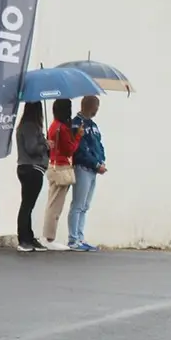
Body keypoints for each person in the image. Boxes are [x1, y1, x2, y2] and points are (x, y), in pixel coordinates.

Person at [68, 95, 105, 252]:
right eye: (96, 106)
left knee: (85, 206)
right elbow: (81, 149)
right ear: (90, 106)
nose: (97, 109)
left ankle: (80, 237)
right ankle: (73, 239)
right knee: (77, 204)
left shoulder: (94, 125)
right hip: (83, 168)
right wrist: (95, 164)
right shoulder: (77, 124)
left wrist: (101, 160)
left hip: (93, 170)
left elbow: (98, 145)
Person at [41, 99, 79, 250]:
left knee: (53, 202)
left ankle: (48, 236)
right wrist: (78, 136)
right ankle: (49, 238)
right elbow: (69, 149)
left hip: (54, 165)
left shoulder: (53, 126)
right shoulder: (62, 128)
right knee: (55, 205)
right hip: (62, 167)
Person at [14, 101, 49, 252]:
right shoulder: (30, 126)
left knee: (28, 204)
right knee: (27, 205)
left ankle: (28, 236)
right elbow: (32, 147)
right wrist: (46, 145)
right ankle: (24, 239)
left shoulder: (27, 125)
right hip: (31, 168)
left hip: (27, 167)